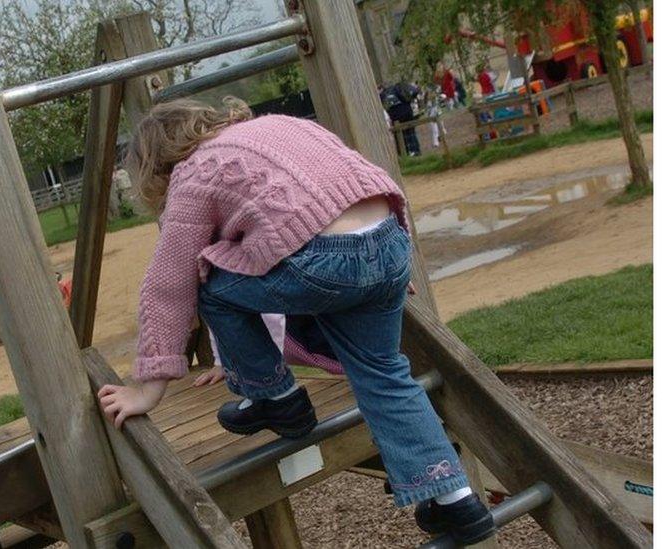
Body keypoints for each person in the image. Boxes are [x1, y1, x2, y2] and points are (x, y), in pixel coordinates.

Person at [95, 98, 495, 545]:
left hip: (327, 262)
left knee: (206, 280)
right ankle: (456, 500)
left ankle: (275, 395)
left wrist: (148, 388)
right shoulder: (280, 124)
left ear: (156, 165)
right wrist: (385, 268)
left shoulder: (193, 170)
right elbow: (354, 174)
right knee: (384, 373)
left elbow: (167, 284)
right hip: (389, 239)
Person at [380, 81, 421, 156]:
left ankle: (403, 154)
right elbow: (415, 92)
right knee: (410, 132)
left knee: (399, 135)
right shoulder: (399, 87)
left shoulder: (384, 94)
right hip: (407, 112)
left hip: (395, 116)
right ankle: (415, 151)